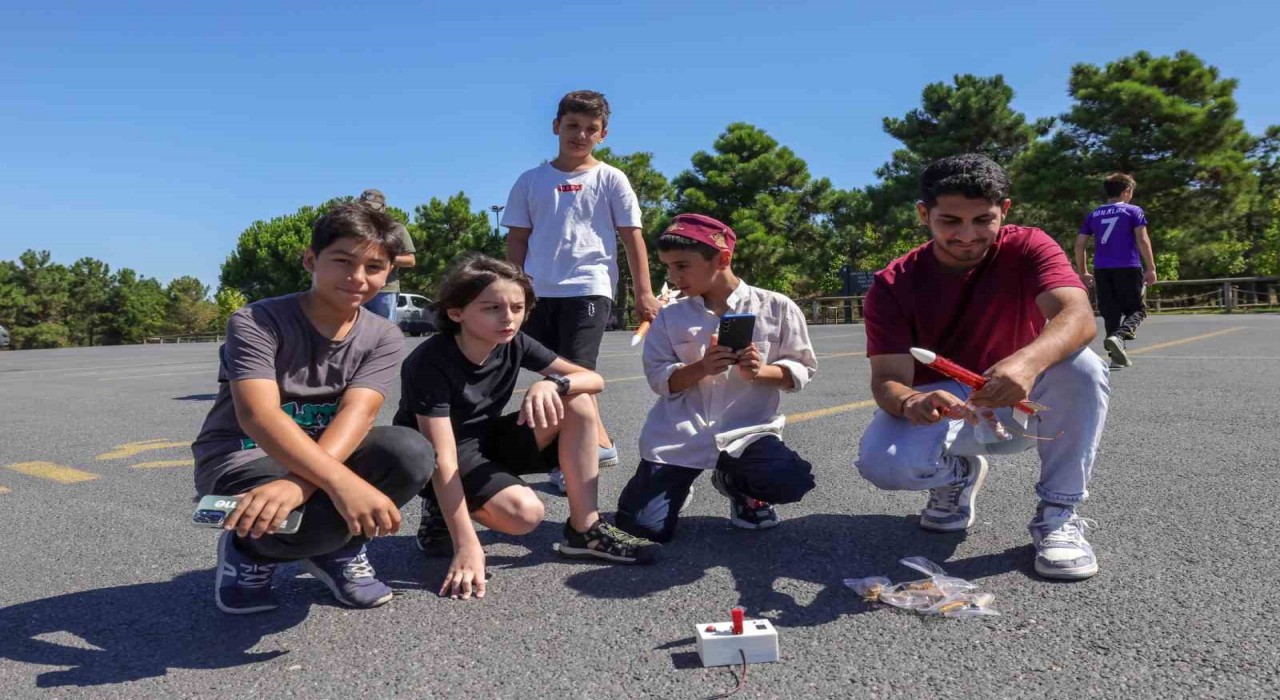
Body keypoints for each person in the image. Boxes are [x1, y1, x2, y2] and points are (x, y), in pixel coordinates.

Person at [854, 154, 1110, 581]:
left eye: (983, 220)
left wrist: (1026, 364)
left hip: (1023, 401)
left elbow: (1078, 316)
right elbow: (887, 381)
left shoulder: (1029, 246)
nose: (967, 235)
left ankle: (1058, 513)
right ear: (923, 214)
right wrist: (913, 399)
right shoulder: (892, 284)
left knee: (1082, 366)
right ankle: (955, 476)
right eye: (950, 221)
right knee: (884, 465)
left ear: (1004, 211)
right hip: (949, 406)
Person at [191, 203, 433, 614]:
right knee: (306, 517)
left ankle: (338, 551)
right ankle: (249, 552)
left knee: (410, 452)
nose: (358, 278)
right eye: (343, 261)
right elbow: (259, 416)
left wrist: (301, 485)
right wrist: (341, 484)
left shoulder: (383, 334)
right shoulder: (255, 321)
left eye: (374, 267)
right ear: (310, 259)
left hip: (321, 455)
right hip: (247, 455)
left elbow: (359, 413)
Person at [395, 254, 660, 597]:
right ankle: (440, 509)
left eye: (518, 308)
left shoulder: (514, 341)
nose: (508, 318)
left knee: (577, 399)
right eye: (492, 308)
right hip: (438, 454)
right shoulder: (429, 362)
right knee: (524, 516)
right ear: (456, 312)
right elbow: (443, 458)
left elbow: (592, 380)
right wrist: (468, 544)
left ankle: (585, 530)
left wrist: (553, 384)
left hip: (486, 440)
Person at [614, 213, 818, 544]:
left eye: (682, 265)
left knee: (789, 480)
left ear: (722, 258)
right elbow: (659, 379)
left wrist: (760, 371)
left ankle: (736, 484)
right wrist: (702, 367)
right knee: (643, 528)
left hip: (747, 431)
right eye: (667, 266)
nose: (673, 276)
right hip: (678, 436)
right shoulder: (671, 316)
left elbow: (801, 368)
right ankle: (672, 486)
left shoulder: (776, 307)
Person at [501, 90, 660, 490]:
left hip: (589, 289)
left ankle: (568, 462)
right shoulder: (530, 181)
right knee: (553, 370)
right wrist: (510, 288)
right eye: (572, 126)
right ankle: (600, 442)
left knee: (571, 376)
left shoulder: (610, 178)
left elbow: (632, 239)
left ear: (603, 134)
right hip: (537, 293)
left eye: (591, 129)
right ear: (557, 126)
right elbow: (517, 241)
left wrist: (645, 292)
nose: (580, 134)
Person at [1075, 173, 1157, 370]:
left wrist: (1083, 271)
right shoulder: (1133, 211)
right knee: (1137, 309)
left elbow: (1079, 245)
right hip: (1128, 267)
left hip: (1102, 269)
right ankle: (1119, 336)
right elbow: (1142, 240)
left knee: (1111, 313)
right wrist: (1151, 267)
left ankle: (1115, 358)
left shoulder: (1093, 215)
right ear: (1127, 191)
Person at [357, 188, 417, 324]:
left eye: (373, 208)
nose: (369, 212)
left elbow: (410, 260)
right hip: (357, 288)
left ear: (383, 208)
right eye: (365, 207)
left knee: (383, 333)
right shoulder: (354, 229)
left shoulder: (396, 229)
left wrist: (383, 258)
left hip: (385, 291)